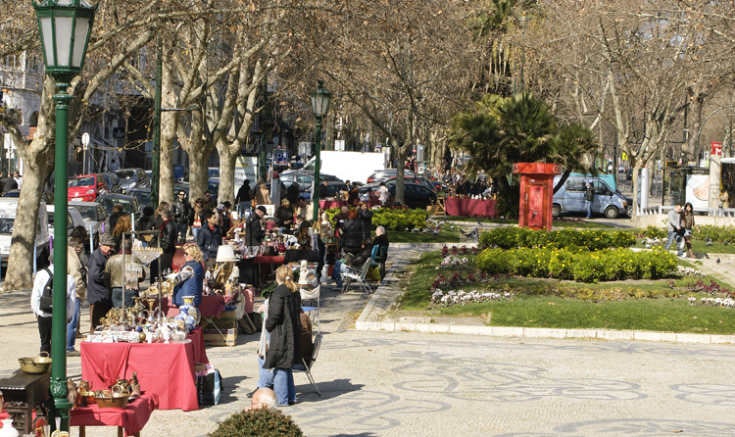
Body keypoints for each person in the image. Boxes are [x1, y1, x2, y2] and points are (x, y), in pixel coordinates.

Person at [264, 265, 303, 407]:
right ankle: (291, 397)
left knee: (280, 366)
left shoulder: (278, 293)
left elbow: (274, 315)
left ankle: (282, 400)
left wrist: (268, 325)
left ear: (277, 277)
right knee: (286, 366)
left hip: (281, 334)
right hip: (293, 333)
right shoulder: (294, 291)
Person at [31, 257, 76, 354]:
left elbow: (35, 296)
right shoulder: (69, 278)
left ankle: (45, 364)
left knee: (45, 342)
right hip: (60, 315)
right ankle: (57, 365)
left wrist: (37, 312)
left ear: (49, 260)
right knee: (58, 344)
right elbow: (71, 301)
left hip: (44, 314)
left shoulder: (41, 274)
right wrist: (68, 316)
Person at [105, 237, 145, 308]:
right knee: (130, 313)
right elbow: (141, 277)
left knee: (117, 313)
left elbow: (106, 277)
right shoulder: (135, 259)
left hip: (115, 289)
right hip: (130, 288)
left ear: (120, 247)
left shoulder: (111, 259)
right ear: (131, 247)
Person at [87, 232, 115, 332]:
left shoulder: (106, 255)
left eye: (111, 246)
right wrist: (110, 276)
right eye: (108, 246)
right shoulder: (96, 257)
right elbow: (95, 275)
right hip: (97, 296)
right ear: (101, 245)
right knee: (96, 324)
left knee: (103, 323)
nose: (110, 248)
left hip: (104, 294)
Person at [66, 236, 87, 355]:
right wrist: (80, 290)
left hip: (66, 291)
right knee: (72, 320)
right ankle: (69, 347)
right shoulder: (72, 258)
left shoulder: (65, 253)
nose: (80, 249)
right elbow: (76, 276)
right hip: (73, 293)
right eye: (79, 247)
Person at [159, 206, 178, 274]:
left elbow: (168, 236)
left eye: (161, 215)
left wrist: (164, 245)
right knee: (168, 263)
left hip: (167, 246)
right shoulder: (172, 223)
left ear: (164, 216)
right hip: (171, 245)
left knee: (165, 263)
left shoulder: (167, 224)